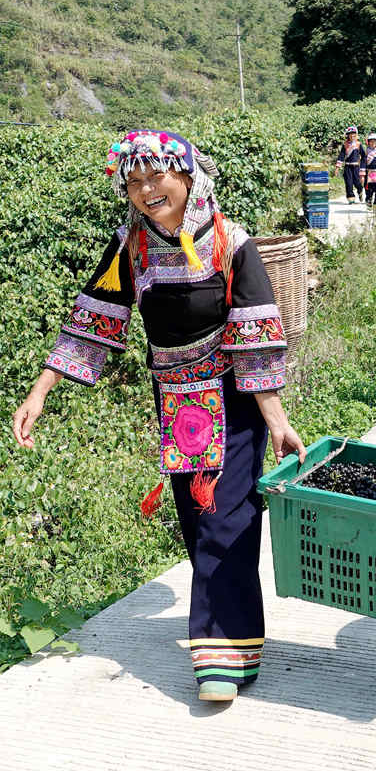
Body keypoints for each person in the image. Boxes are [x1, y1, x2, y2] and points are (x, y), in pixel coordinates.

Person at [12, 129, 305, 703]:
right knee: (200, 522)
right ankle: (237, 641)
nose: (147, 190)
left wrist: (275, 419)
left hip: (232, 395)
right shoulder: (131, 246)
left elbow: (255, 336)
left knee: (227, 516)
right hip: (176, 402)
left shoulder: (229, 242)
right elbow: (96, 319)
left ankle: (218, 655)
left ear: (188, 178)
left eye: (158, 177)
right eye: (136, 181)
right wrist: (41, 389)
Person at [335, 126, 365, 203]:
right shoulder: (345, 145)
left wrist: (363, 168)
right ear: (347, 135)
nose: (352, 135)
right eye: (350, 134)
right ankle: (351, 197)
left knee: (357, 182)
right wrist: (337, 168)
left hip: (356, 167)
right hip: (348, 166)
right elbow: (341, 156)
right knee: (348, 183)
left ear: (356, 134)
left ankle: (360, 191)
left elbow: (364, 156)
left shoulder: (358, 144)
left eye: (354, 134)